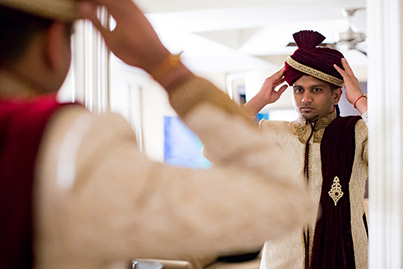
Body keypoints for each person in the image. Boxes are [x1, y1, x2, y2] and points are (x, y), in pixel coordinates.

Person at [0, 0, 314, 268]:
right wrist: (165, 66)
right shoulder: (67, 147)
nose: (305, 98)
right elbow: (284, 202)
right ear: (53, 44)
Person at [244, 30, 368, 269]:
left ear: (336, 95)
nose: (305, 98)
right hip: (282, 261)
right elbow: (213, 149)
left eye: (316, 89)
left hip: (347, 257)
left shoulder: (358, 132)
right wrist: (259, 98)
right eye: (299, 90)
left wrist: (359, 100)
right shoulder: (272, 132)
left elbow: (396, 148)